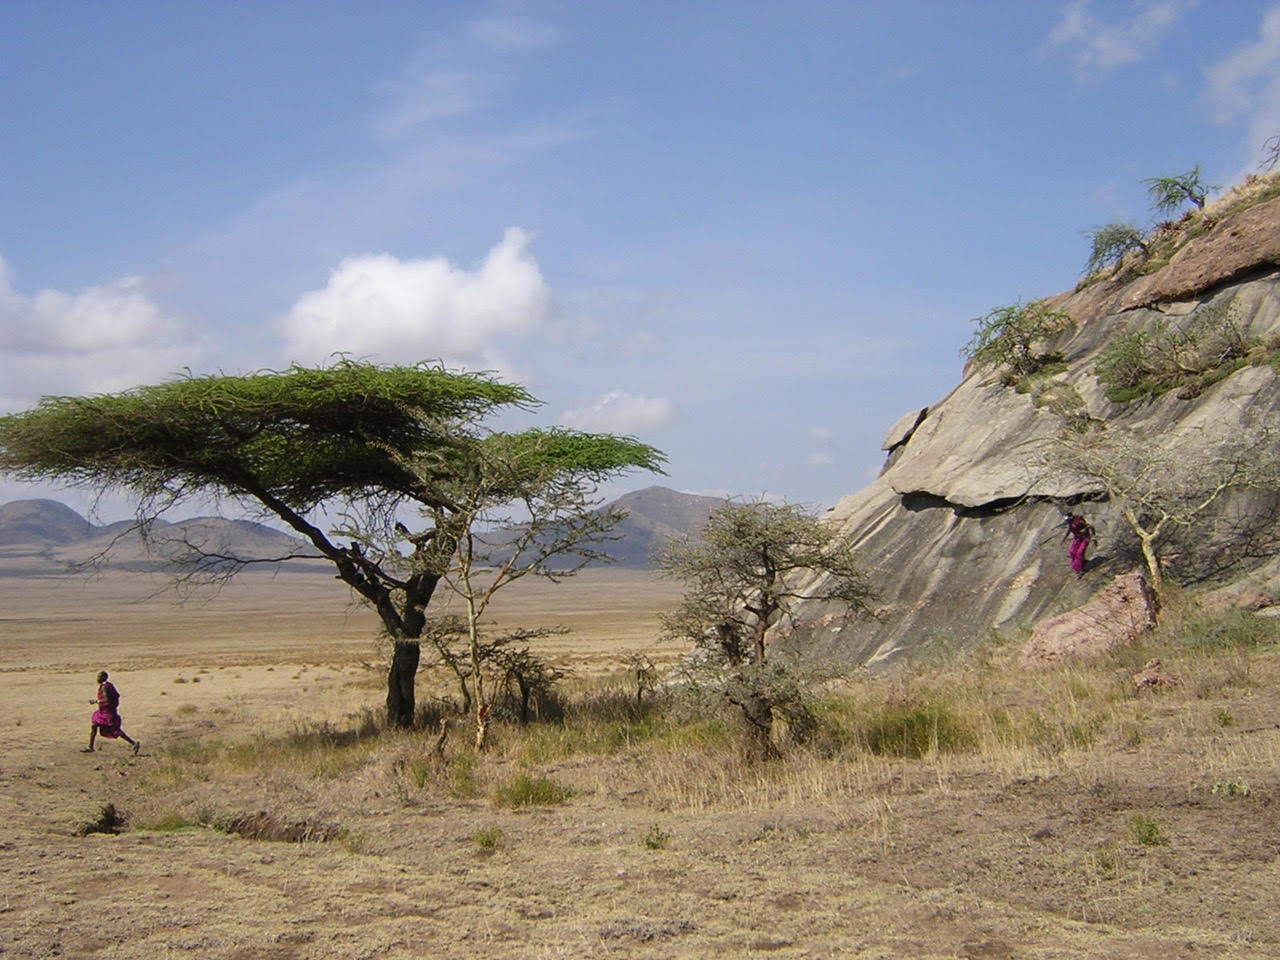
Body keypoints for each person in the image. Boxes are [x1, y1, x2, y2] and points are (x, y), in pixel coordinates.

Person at [84, 670, 140, 755]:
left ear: (104, 677)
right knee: (94, 725)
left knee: (116, 730)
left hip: (108, 712)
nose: (97, 678)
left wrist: (96, 701)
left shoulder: (105, 687)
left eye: (99, 676)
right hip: (103, 711)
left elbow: (106, 699)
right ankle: (90, 746)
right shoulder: (107, 685)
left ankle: (133, 743)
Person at [1062, 512, 1096, 578]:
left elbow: (1090, 526)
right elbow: (1069, 529)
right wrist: (1065, 538)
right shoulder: (1071, 524)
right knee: (1072, 551)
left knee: (1079, 553)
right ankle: (1081, 562)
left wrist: (1093, 537)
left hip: (1085, 537)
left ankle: (1080, 570)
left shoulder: (1079, 521)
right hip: (1077, 538)